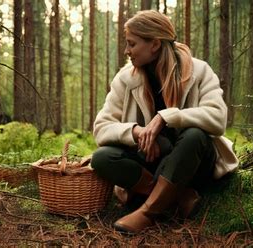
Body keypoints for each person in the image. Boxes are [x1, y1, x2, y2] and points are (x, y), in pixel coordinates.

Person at [90, 10, 239, 234]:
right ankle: (178, 197)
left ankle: (148, 212)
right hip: (152, 162)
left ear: (155, 44)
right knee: (102, 157)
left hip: (193, 162)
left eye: (132, 44)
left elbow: (218, 118)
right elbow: (101, 128)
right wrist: (136, 132)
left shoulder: (199, 71)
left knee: (194, 136)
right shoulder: (125, 78)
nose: (126, 51)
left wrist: (166, 116)